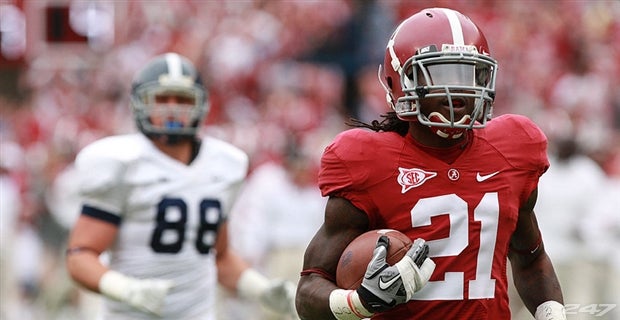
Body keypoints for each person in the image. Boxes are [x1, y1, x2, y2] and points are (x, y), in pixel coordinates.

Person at [296, 7, 566, 320]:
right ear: (400, 81)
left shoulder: (513, 148)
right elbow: (308, 291)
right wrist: (359, 302)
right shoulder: (368, 161)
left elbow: (531, 259)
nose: (460, 91)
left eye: (469, 75)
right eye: (442, 74)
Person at [65, 52, 297, 320]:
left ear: (201, 105)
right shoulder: (121, 163)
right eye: (162, 98)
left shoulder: (224, 165)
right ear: (141, 103)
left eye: (183, 99)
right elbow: (80, 255)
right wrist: (126, 289)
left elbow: (219, 256)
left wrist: (261, 289)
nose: (173, 108)